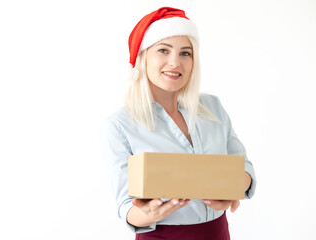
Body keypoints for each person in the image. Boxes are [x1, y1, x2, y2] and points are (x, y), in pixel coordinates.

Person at [101, 7, 256, 240]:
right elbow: (126, 207)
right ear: (143, 57)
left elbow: (244, 168)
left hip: (217, 233)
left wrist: (236, 187)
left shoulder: (213, 108)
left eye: (185, 53)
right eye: (163, 50)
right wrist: (150, 213)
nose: (175, 62)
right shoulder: (120, 125)